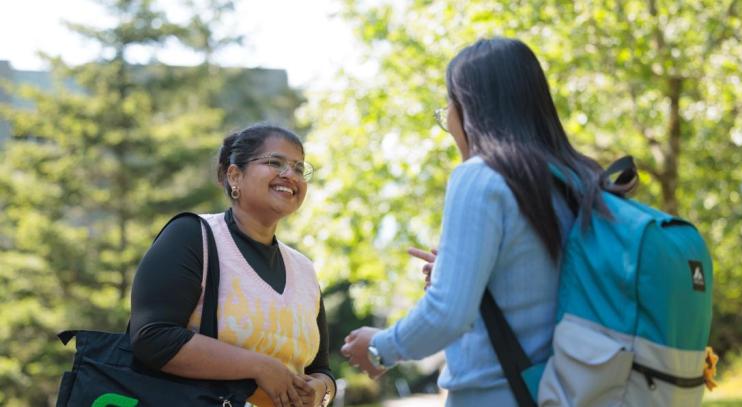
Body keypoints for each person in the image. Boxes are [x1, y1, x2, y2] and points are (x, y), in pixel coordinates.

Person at [341, 37, 608, 406]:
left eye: (448, 106)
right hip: (573, 389)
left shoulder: (480, 177)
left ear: (469, 109)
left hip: (499, 394)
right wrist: (461, 274)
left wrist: (379, 348)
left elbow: (447, 315)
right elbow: (545, 285)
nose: (448, 121)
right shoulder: (578, 177)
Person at [130, 124, 335, 407]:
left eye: (299, 168)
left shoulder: (304, 270)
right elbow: (152, 336)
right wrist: (259, 367)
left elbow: (321, 369)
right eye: (275, 162)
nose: (290, 175)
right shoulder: (193, 236)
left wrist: (323, 390)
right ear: (235, 175)